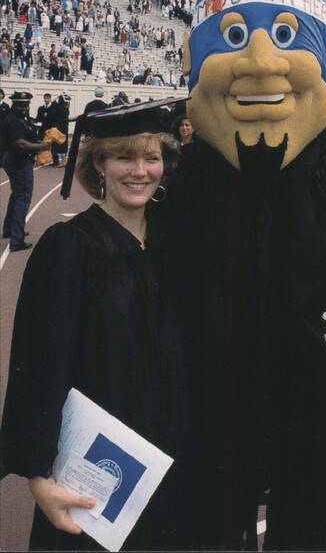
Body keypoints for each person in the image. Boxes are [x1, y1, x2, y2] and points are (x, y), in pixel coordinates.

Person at [161, 0, 326, 549]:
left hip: (320, 391)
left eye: (285, 38)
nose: (261, 62)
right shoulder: (185, 181)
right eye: (234, 38)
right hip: (215, 387)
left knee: (317, 516)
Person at [0, 99, 190, 550]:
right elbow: (38, 365)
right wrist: (38, 475)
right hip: (93, 468)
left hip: (164, 460)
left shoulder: (170, 243)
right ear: (98, 165)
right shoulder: (68, 246)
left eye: (151, 157)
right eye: (124, 156)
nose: (139, 170)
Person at [2, 92, 51, 250]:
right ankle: (17, 240)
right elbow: (20, 144)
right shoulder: (13, 121)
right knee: (23, 197)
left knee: (17, 195)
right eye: (21, 105)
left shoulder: (23, 120)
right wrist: (41, 146)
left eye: (27, 105)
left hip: (19, 160)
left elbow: (29, 137)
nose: (25, 108)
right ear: (14, 105)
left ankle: (10, 230)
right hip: (18, 161)